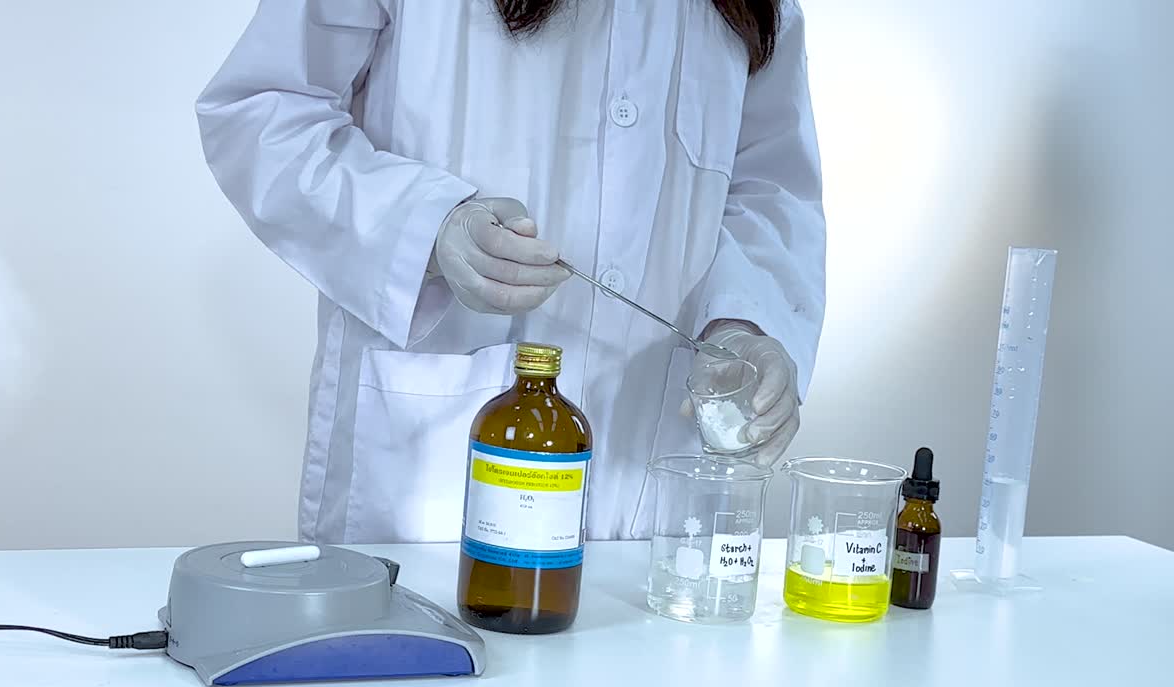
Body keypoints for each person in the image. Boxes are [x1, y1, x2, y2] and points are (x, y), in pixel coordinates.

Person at [197, 0, 825, 544]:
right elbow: (262, 111)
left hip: (653, 487)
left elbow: (769, 184)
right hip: (432, 479)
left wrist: (745, 323)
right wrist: (425, 227)